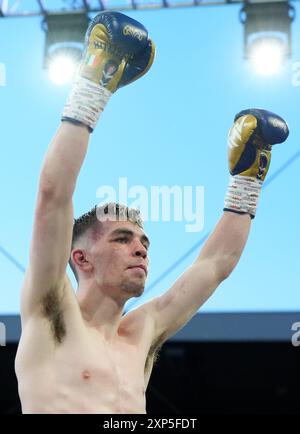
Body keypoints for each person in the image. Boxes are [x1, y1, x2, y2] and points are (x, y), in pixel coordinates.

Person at [15, 11, 289, 414]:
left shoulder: (141, 334)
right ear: (80, 257)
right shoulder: (51, 312)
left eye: (143, 241)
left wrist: (247, 179)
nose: (141, 249)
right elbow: (53, 196)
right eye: (122, 239)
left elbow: (216, 265)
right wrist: (94, 87)